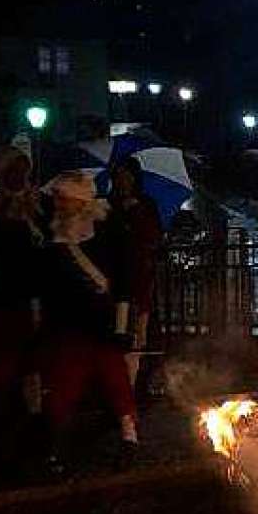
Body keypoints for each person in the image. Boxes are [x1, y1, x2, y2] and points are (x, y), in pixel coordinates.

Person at [39, 172, 137, 470]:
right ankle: (56, 445)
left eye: (63, 198)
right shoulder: (53, 235)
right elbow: (48, 284)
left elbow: (122, 281)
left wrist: (122, 326)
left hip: (102, 323)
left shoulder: (107, 231)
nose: (57, 203)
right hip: (68, 325)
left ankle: (129, 437)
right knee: (63, 387)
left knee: (116, 383)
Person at [0, 145, 45, 471]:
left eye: (23, 169)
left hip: (32, 296)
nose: (20, 176)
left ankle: (33, 430)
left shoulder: (38, 206)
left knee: (31, 366)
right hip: (2, 297)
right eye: (13, 170)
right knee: (1, 366)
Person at [109, 156, 161, 390]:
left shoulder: (145, 205)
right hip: (114, 278)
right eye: (118, 176)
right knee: (117, 333)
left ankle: (131, 385)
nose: (123, 181)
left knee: (138, 334)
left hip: (138, 279)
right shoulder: (108, 205)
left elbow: (153, 237)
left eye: (127, 175)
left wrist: (136, 212)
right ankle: (118, 385)